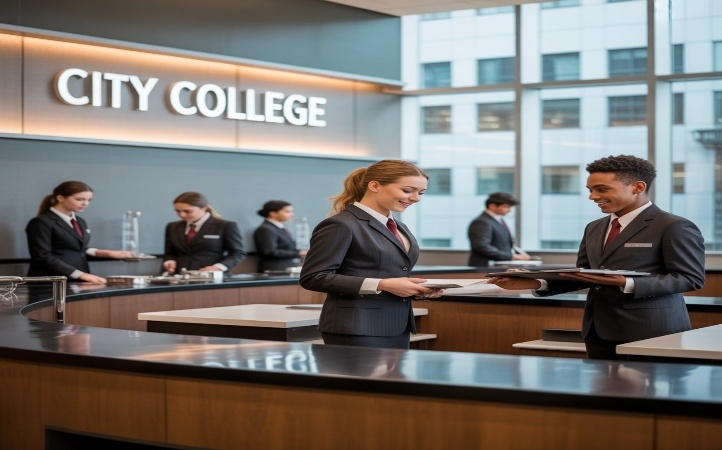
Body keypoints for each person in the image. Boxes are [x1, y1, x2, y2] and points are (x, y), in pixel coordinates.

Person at [489, 155, 706, 360]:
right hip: (597, 333)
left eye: (601, 189)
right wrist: (535, 282)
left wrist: (627, 283)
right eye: (590, 190)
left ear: (638, 187)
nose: (593, 197)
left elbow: (689, 278)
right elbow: (582, 274)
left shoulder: (673, 226)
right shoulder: (594, 228)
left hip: (652, 332)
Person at [299, 159, 443, 349]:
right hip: (356, 326)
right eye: (408, 191)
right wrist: (382, 285)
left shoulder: (400, 227)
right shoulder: (341, 224)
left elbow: (393, 274)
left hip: (397, 326)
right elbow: (313, 277)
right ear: (374, 185)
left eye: (420, 193)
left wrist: (417, 290)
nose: (416, 198)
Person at [25, 181, 134, 283]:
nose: (85, 203)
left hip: (76, 281)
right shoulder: (41, 222)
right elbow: (42, 256)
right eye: (80, 199)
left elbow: (78, 249)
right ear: (60, 197)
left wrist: (109, 253)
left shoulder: (80, 221)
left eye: (89, 200)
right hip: (51, 283)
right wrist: (80, 275)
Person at [162, 192, 246, 274]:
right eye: (177, 211)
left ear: (204, 208)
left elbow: (238, 253)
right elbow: (169, 253)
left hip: (210, 276)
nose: (182, 215)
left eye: (187, 211)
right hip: (178, 276)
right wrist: (169, 261)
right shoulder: (172, 226)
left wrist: (218, 267)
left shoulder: (225, 226)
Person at [467, 192, 531, 266]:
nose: (509, 210)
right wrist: (511, 256)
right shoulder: (482, 222)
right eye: (506, 207)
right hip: (485, 267)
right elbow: (481, 246)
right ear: (492, 206)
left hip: (497, 266)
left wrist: (518, 255)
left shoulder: (498, 220)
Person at [253, 200, 307, 273]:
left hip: (286, 269)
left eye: (292, 211)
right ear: (272, 213)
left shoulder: (280, 227)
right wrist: (298, 253)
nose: (292, 214)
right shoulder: (266, 229)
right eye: (287, 212)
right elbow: (270, 252)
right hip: (274, 271)